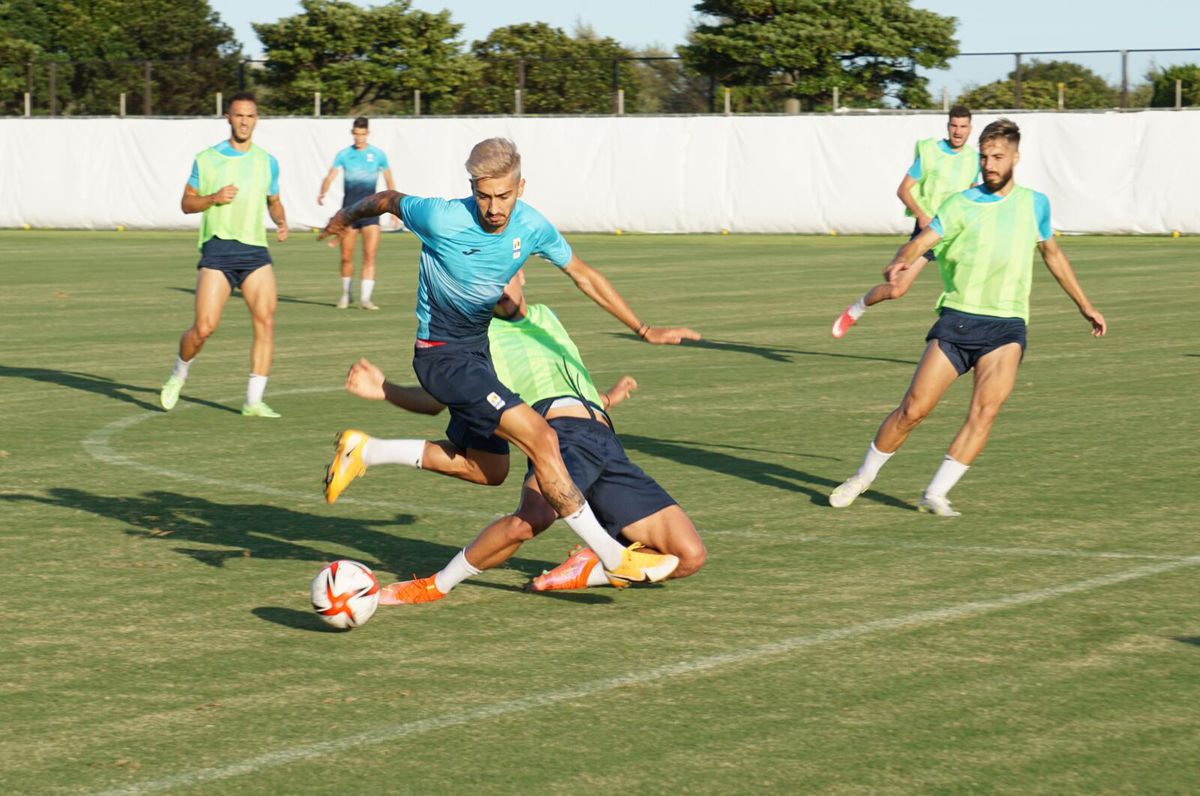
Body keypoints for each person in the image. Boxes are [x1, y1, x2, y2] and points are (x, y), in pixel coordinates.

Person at [318, 137, 700, 585]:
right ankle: (611, 555)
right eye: (483, 195)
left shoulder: (533, 226)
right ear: (472, 188)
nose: (493, 207)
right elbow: (384, 200)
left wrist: (642, 329)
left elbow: (583, 274)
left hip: (476, 355)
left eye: (503, 195)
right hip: (441, 355)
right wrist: (344, 217)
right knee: (542, 439)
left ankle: (367, 450)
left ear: (521, 187)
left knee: (489, 470)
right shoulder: (441, 216)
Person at [326, 270, 707, 602]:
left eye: (503, 277)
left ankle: (588, 568)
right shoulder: (478, 337)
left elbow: (555, 377)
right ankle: (436, 585)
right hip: (559, 439)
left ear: (521, 273)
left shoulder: (546, 316)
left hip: (605, 442)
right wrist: (386, 389)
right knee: (530, 517)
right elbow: (437, 399)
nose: (499, 289)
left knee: (688, 556)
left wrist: (604, 398)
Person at [828, 118, 1107, 516]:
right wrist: (899, 261)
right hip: (958, 321)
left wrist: (1084, 304)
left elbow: (1053, 254)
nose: (989, 164)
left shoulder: (1035, 203)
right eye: (984, 156)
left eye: (997, 156)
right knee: (913, 410)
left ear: (1015, 157)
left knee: (985, 411)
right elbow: (923, 241)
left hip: (1007, 325)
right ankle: (863, 477)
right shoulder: (960, 203)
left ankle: (936, 493)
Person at [160, 91, 288, 417]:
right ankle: (179, 373)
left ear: (256, 120)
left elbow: (274, 202)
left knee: (266, 324)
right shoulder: (207, 159)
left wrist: (282, 220)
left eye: (250, 116)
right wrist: (213, 198)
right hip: (218, 250)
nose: (244, 121)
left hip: (255, 252)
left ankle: (253, 400)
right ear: (228, 118)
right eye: (239, 115)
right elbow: (186, 203)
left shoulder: (266, 161)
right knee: (204, 328)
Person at [832, 106, 978, 338]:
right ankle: (856, 309)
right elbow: (903, 190)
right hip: (929, 233)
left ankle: (965, 343)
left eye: (963, 127)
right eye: (954, 126)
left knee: (972, 289)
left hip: (957, 236)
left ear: (970, 129)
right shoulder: (931, 153)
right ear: (947, 126)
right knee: (896, 289)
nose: (958, 131)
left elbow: (972, 196)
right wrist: (920, 214)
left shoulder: (974, 159)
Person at [317, 117, 395, 310]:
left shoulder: (378, 155)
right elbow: (331, 175)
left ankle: (366, 298)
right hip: (350, 213)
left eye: (362, 134)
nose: (359, 138)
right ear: (353, 133)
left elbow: (389, 181)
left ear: (367, 133)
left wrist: (394, 208)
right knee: (346, 256)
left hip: (371, 211)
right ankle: (346, 294)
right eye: (356, 134)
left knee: (369, 255)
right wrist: (323, 191)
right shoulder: (344, 154)